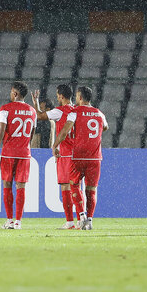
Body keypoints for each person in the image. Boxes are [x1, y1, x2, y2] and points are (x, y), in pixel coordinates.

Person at [0, 81, 36, 229]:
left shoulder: (5, 109)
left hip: (9, 153)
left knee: (7, 185)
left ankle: (9, 220)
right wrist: (24, 146)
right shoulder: (32, 111)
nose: (10, 94)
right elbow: (31, 135)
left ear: (15, 93)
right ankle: (18, 221)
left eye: (11, 91)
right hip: (25, 154)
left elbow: (0, 133)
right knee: (21, 186)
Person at [52, 86, 108, 230]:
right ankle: (89, 220)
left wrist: (55, 145)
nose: (75, 99)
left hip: (79, 156)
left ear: (81, 98)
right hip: (95, 157)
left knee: (74, 185)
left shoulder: (75, 112)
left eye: (77, 96)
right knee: (92, 189)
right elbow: (106, 127)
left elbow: (65, 130)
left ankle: (81, 215)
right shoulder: (99, 113)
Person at [32, 85, 85, 229]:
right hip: (79, 154)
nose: (56, 97)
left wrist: (35, 101)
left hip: (65, 153)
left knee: (66, 187)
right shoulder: (78, 110)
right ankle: (82, 218)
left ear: (61, 96)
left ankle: (70, 222)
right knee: (76, 188)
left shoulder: (59, 111)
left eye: (57, 94)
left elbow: (39, 115)